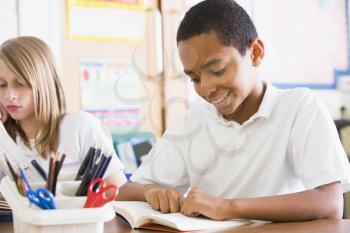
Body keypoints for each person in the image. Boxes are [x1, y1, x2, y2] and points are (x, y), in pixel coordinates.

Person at [118, 0, 350, 221]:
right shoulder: (191, 123)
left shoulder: (298, 108)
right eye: (195, 79)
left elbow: (329, 203)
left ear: (255, 53)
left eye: (217, 70)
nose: (207, 89)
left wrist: (227, 207)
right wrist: (149, 190)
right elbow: (126, 191)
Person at [0, 36, 127, 188]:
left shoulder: (80, 126)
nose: (10, 96)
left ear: (44, 83)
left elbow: (118, 189)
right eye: (1, 85)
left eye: (20, 83)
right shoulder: (5, 138)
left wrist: (146, 191)